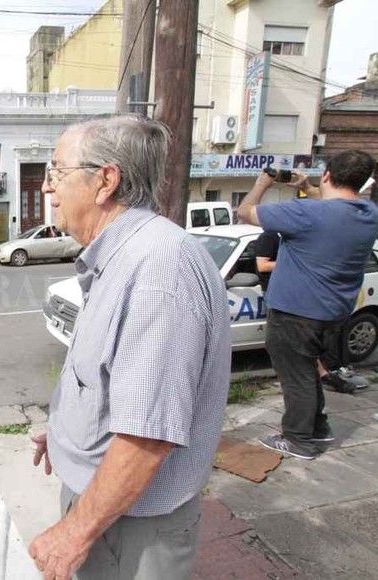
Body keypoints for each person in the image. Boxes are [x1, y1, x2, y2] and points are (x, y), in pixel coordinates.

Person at [28, 116, 231, 579]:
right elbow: (107, 379)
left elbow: (146, 436)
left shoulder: (158, 269)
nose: (47, 188)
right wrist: (67, 430)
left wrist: (72, 534)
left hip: (131, 524)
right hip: (110, 507)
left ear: (106, 181)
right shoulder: (123, 254)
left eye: (56, 172)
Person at [238, 150, 378, 460]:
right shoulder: (368, 213)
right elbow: (332, 204)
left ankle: (298, 440)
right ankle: (318, 427)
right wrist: (306, 186)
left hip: (296, 312)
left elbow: (245, 212)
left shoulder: (306, 213)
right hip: (335, 312)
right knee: (308, 371)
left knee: (296, 376)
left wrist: (262, 182)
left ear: (327, 174)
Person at [255, 226, 367, 395]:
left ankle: (322, 374)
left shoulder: (297, 238)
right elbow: (262, 266)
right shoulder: (269, 237)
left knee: (304, 340)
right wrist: (300, 263)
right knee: (290, 341)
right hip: (279, 295)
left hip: (298, 294)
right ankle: (318, 376)